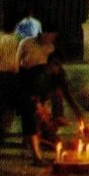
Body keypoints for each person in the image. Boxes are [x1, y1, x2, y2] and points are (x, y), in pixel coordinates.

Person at [17, 30, 55, 163]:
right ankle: (36, 156)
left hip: (39, 89)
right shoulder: (26, 43)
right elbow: (17, 64)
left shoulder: (50, 49)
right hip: (27, 85)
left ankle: (35, 147)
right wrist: (36, 100)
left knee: (39, 119)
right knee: (31, 119)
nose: (51, 38)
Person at [33, 51, 85, 145]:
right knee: (40, 117)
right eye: (57, 64)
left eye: (60, 65)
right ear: (50, 63)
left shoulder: (59, 73)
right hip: (32, 100)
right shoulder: (38, 73)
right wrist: (43, 112)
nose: (59, 68)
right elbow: (34, 97)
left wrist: (78, 113)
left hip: (45, 98)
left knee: (58, 93)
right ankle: (39, 133)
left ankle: (56, 120)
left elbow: (67, 93)